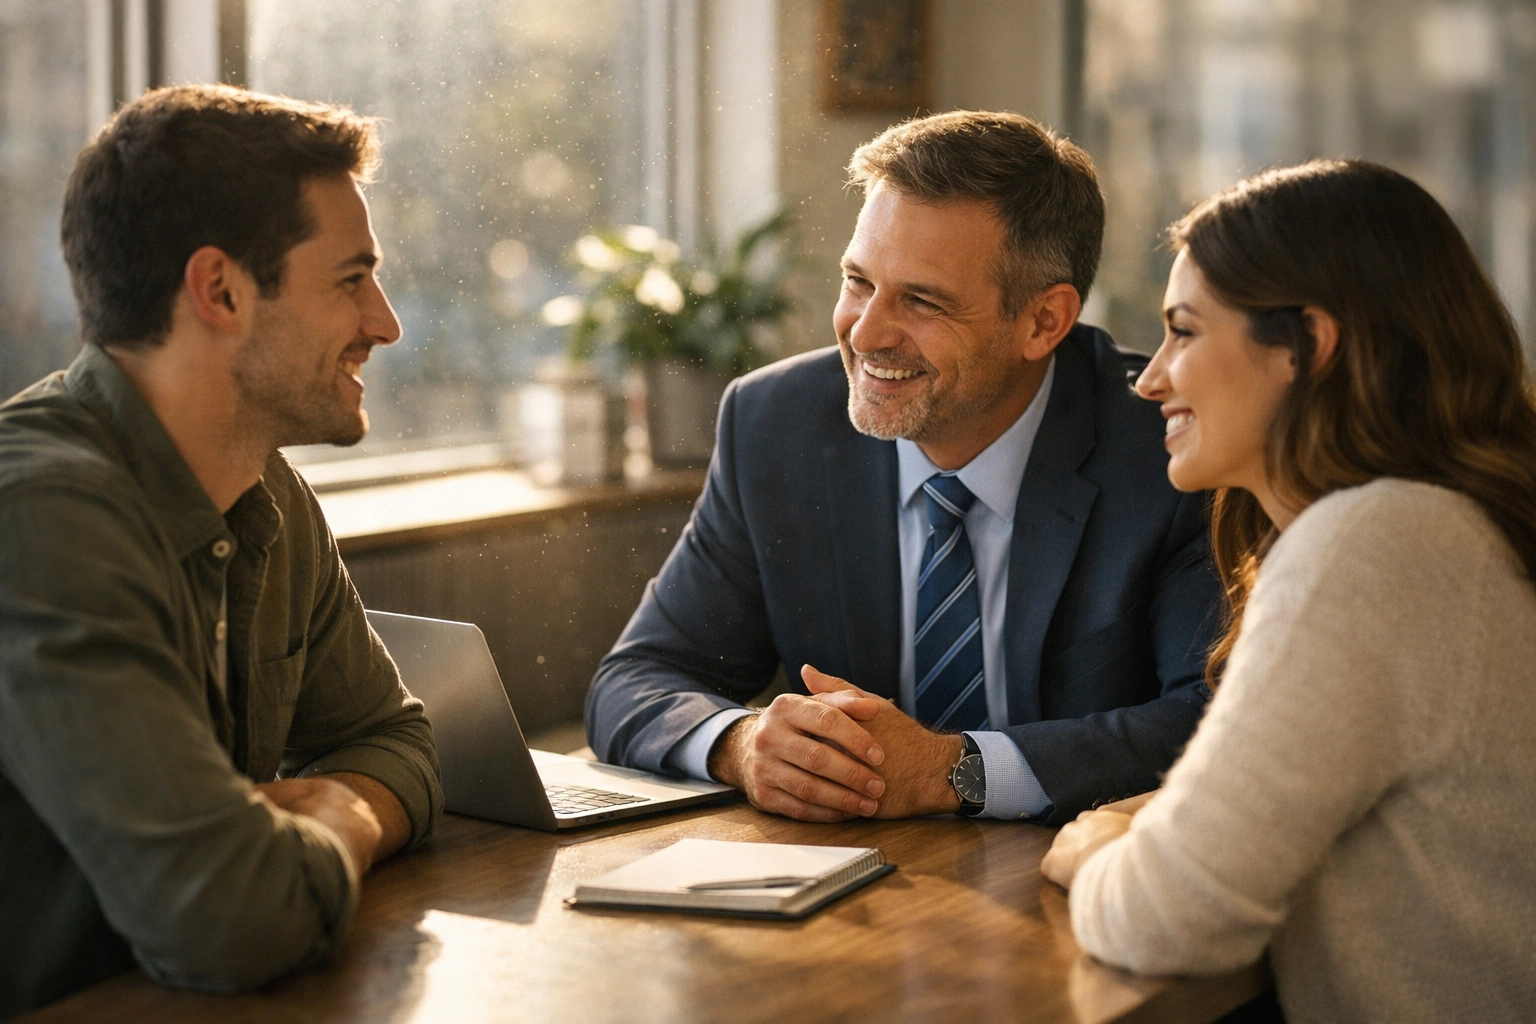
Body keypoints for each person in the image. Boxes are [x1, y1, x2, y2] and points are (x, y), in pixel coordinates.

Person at [586, 111, 1222, 825]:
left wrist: (955, 772)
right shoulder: (776, 423)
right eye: (858, 281)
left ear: (1044, 322)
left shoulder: (1168, 445)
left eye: (921, 301)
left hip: (1081, 881)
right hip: (852, 891)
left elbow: (1213, 722)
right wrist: (740, 742)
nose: (865, 333)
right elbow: (634, 679)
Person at [1041, 160, 1536, 1022]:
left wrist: (1092, 848)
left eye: (1185, 332)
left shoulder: (1376, 545)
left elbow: (1168, 918)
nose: (1150, 377)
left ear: (1309, 343)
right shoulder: (1444, 528)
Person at [0, 85, 444, 1017]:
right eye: (350, 279)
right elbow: (230, 917)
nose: (385, 322)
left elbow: (398, 743)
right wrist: (331, 819)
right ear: (221, 291)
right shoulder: (40, 516)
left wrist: (335, 816)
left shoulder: (259, 482)